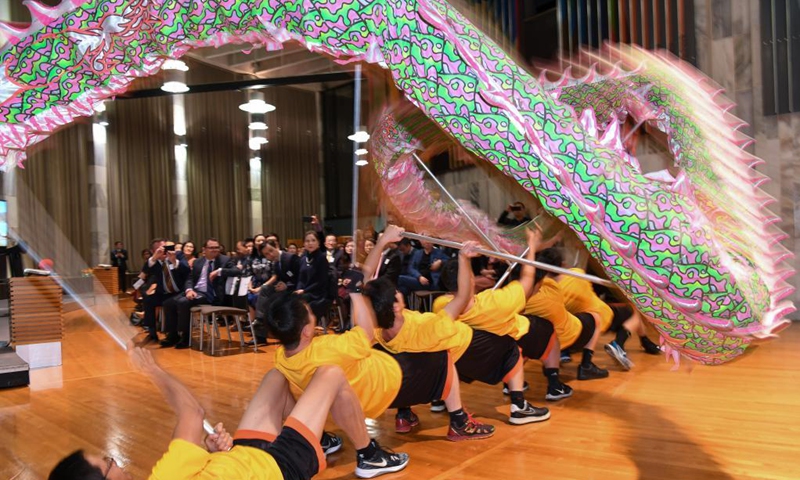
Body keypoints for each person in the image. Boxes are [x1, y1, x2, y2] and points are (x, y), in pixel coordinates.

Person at [48, 344, 405, 480]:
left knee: (276, 376)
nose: (118, 464)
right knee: (331, 374)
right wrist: (152, 370)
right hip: (279, 468)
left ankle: (316, 437)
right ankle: (369, 457)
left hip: (242, 457)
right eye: (109, 465)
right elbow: (191, 410)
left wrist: (210, 454)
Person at [365, 226, 548, 430]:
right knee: (510, 347)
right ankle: (518, 405)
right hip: (464, 346)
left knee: (405, 359)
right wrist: (464, 259)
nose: (399, 291)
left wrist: (382, 243)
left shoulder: (376, 327)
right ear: (396, 306)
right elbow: (462, 297)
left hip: (419, 362)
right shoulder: (430, 325)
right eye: (396, 292)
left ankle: (405, 413)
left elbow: (365, 279)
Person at [434, 230, 573, 402]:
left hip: (463, 363)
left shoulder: (440, 305)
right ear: (470, 280)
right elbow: (527, 280)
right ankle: (549, 387)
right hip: (493, 357)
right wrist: (530, 247)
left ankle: (439, 399)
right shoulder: (496, 302)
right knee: (539, 331)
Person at [526, 248, 608, 380]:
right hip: (567, 336)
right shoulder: (557, 285)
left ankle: (510, 385)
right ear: (562, 264)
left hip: (537, 342)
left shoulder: (519, 295)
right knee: (595, 316)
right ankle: (586, 364)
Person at [160, 238, 241, 349]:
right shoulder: (199, 261)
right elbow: (190, 278)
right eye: (211, 248)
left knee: (183, 302)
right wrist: (189, 290)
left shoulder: (225, 260)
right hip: (196, 291)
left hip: (210, 295)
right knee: (168, 302)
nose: (214, 250)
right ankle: (172, 335)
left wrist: (219, 271)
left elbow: (237, 271)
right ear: (204, 249)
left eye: (216, 247)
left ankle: (185, 337)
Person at [141, 239, 190, 343]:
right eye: (159, 249)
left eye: (164, 247)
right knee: (148, 300)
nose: (163, 251)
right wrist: (154, 257)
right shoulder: (154, 261)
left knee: (169, 302)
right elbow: (145, 271)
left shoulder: (178, 255)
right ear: (153, 250)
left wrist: (174, 261)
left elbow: (187, 270)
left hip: (178, 292)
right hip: (163, 293)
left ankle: (173, 334)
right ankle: (152, 333)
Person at [295, 218, 331, 319]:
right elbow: (301, 279)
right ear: (303, 244)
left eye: (313, 240)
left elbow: (321, 281)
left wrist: (304, 290)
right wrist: (298, 289)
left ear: (319, 243)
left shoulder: (321, 258)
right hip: (305, 292)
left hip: (317, 293)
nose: (310, 243)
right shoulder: (303, 258)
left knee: (298, 302)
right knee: (289, 298)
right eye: (307, 241)